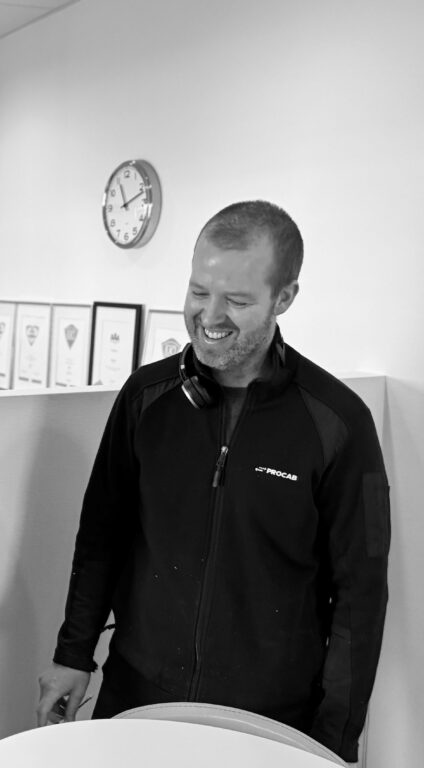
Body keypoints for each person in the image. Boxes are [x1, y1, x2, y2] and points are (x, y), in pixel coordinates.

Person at [36, 201, 389, 763]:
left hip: (270, 718)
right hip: (137, 696)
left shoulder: (341, 423)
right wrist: (73, 654)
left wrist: (333, 740)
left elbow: (360, 596)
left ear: (285, 298)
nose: (210, 315)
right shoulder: (144, 398)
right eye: (199, 291)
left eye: (237, 301)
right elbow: (101, 537)